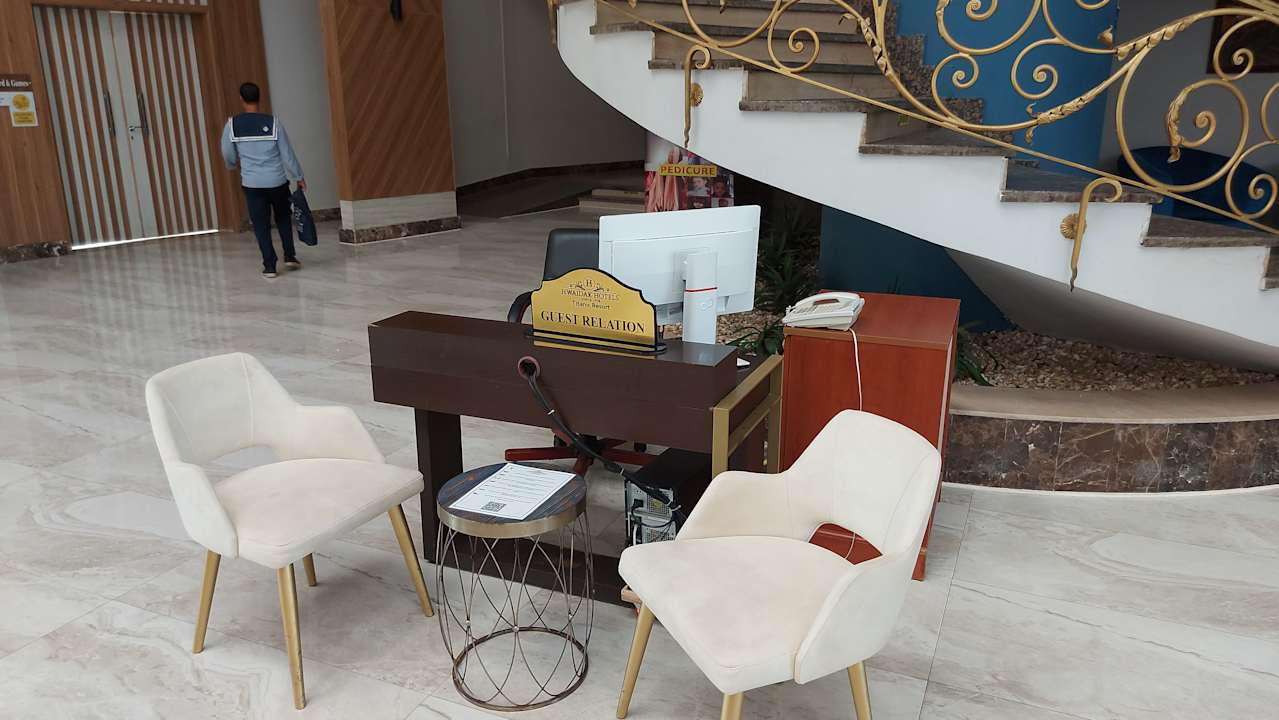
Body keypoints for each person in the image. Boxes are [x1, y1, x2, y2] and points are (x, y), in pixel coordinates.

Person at [220, 82, 306, 279]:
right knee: (283, 218)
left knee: (261, 224)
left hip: (252, 184)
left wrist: (232, 165)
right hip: (277, 181)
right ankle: (290, 256)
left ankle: (270, 266)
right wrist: (298, 176)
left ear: (241, 99)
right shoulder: (273, 123)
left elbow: (227, 152)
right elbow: (287, 154)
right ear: (260, 97)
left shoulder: (232, 124)